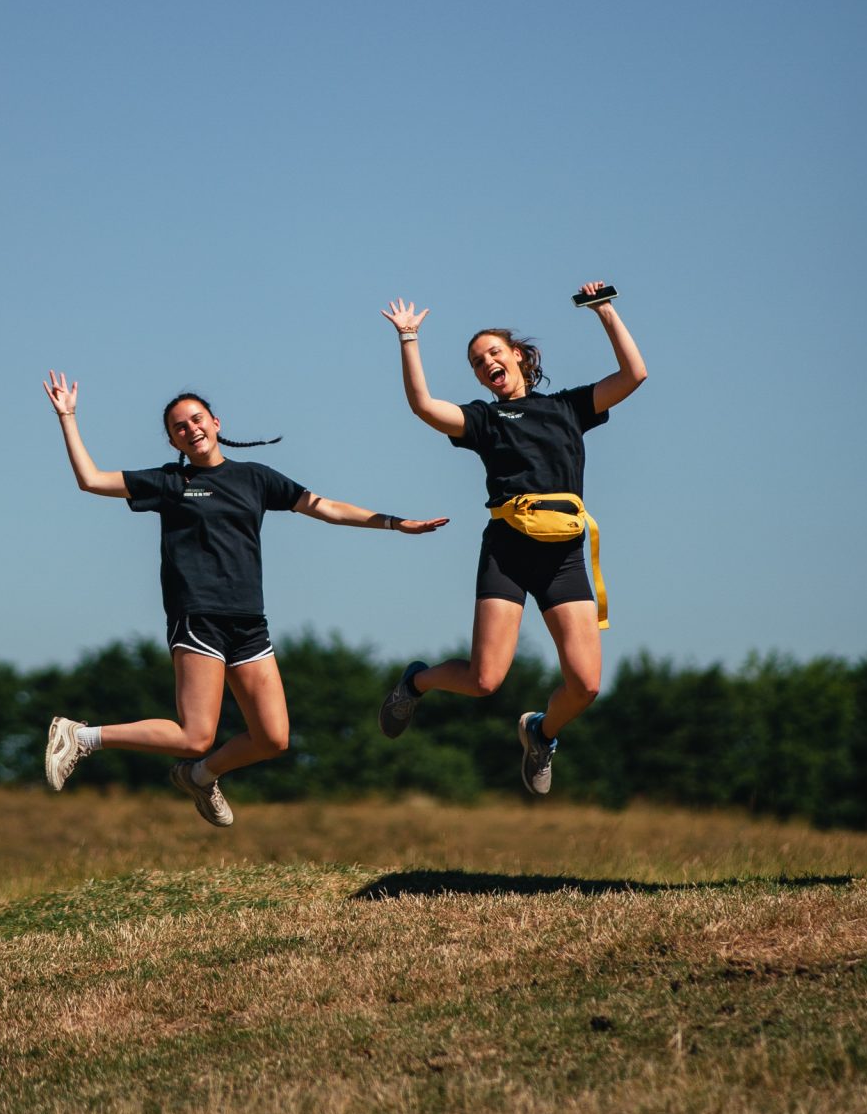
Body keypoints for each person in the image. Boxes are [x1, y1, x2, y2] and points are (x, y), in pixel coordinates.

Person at [38, 374, 447, 826]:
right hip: (198, 617)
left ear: (215, 422)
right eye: (179, 427)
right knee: (196, 734)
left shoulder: (255, 477)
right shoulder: (171, 482)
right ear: (174, 439)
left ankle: (198, 777)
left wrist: (394, 523)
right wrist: (68, 418)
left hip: (250, 622)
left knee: (273, 738)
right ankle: (81, 736)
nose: (191, 428)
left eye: (197, 419)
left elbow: (325, 507)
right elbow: (91, 480)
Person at [372, 281, 648, 795]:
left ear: (518, 356)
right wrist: (409, 340)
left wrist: (604, 310)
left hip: (563, 553)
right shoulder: (484, 420)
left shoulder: (568, 408)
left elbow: (635, 374)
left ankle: (540, 733)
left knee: (586, 685)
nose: (486, 364)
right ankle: (416, 682)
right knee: (484, 681)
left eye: (493, 353)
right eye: (477, 362)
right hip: (508, 550)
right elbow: (424, 406)